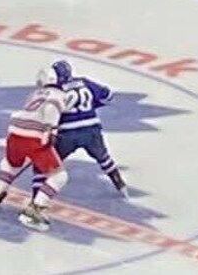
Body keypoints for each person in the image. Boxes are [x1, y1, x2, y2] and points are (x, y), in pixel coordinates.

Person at [0, 67, 76, 232]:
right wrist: (50, 131)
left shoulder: (35, 94)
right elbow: (51, 110)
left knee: (11, 165)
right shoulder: (59, 96)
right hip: (34, 136)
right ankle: (35, 208)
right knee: (59, 176)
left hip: (14, 132)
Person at [32, 60, 128, 198]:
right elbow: (108, 96)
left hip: (66, 133)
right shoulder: (84, 82)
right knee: (104, 158)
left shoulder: (53, 90)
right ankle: (120, 185)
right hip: (91, 129)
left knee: (44, 165)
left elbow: (48, 112)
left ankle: (36, 200)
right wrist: (92, 106)